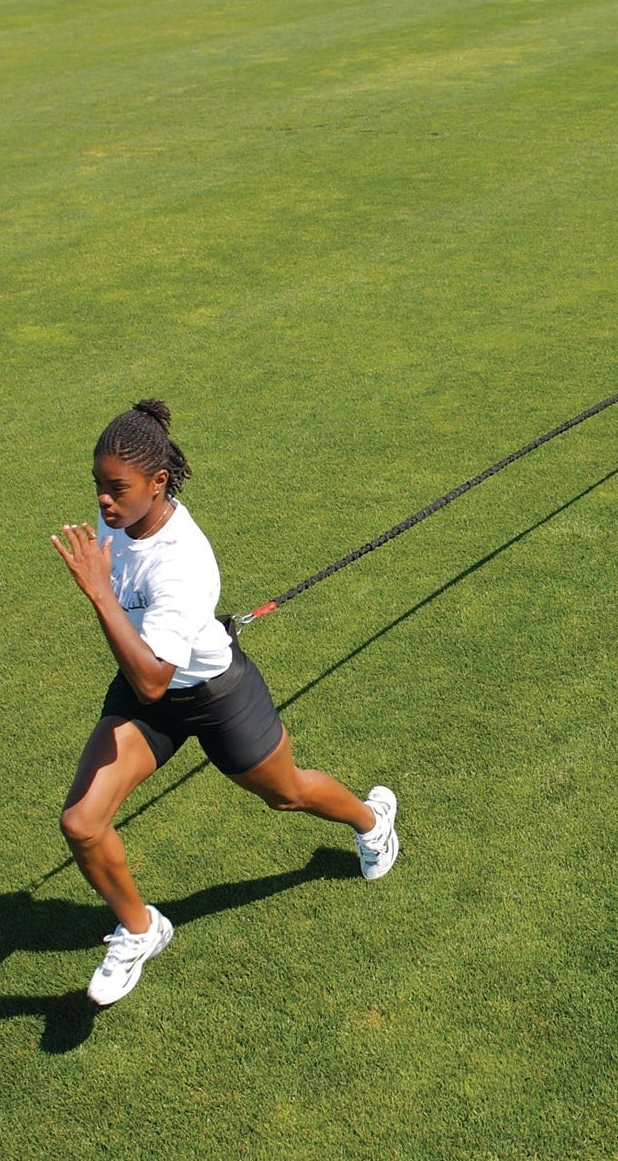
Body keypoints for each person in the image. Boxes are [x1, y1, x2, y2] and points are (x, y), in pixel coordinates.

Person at [48, 399, 401, 1006]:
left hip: (210, 693)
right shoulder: (119, 517)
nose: (104, 503)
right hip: (144, 694)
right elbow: (147, 689)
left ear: (158, 484)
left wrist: (101, 595)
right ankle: (140, 929)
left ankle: (373, 824)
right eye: (98, 487)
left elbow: (158, 677)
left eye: (116, 489)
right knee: (81, 821)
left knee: (284, 793)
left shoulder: (183, 563)